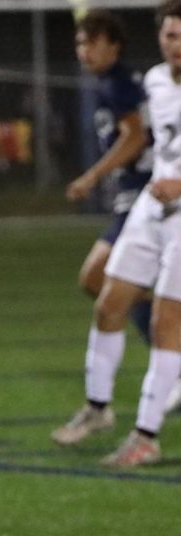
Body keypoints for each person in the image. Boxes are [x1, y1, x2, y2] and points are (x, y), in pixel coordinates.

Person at [51, 0, 181, 466]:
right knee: (107, 299)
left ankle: (146, 436)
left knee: (169, 323)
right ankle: (98, 407)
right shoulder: (154, 82)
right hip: (151, 206)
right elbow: (152, 144)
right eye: (169, 35)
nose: (176, 45)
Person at [67, 9, 153, 341]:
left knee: (95, 277)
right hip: (133, 198)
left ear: (114, 46)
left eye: (92, 42)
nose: (84, 50)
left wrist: (91, 177)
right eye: (79, 43)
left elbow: (135, 137)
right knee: (98, 281)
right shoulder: (115, 82)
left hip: (146, 198)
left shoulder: (119, 84)